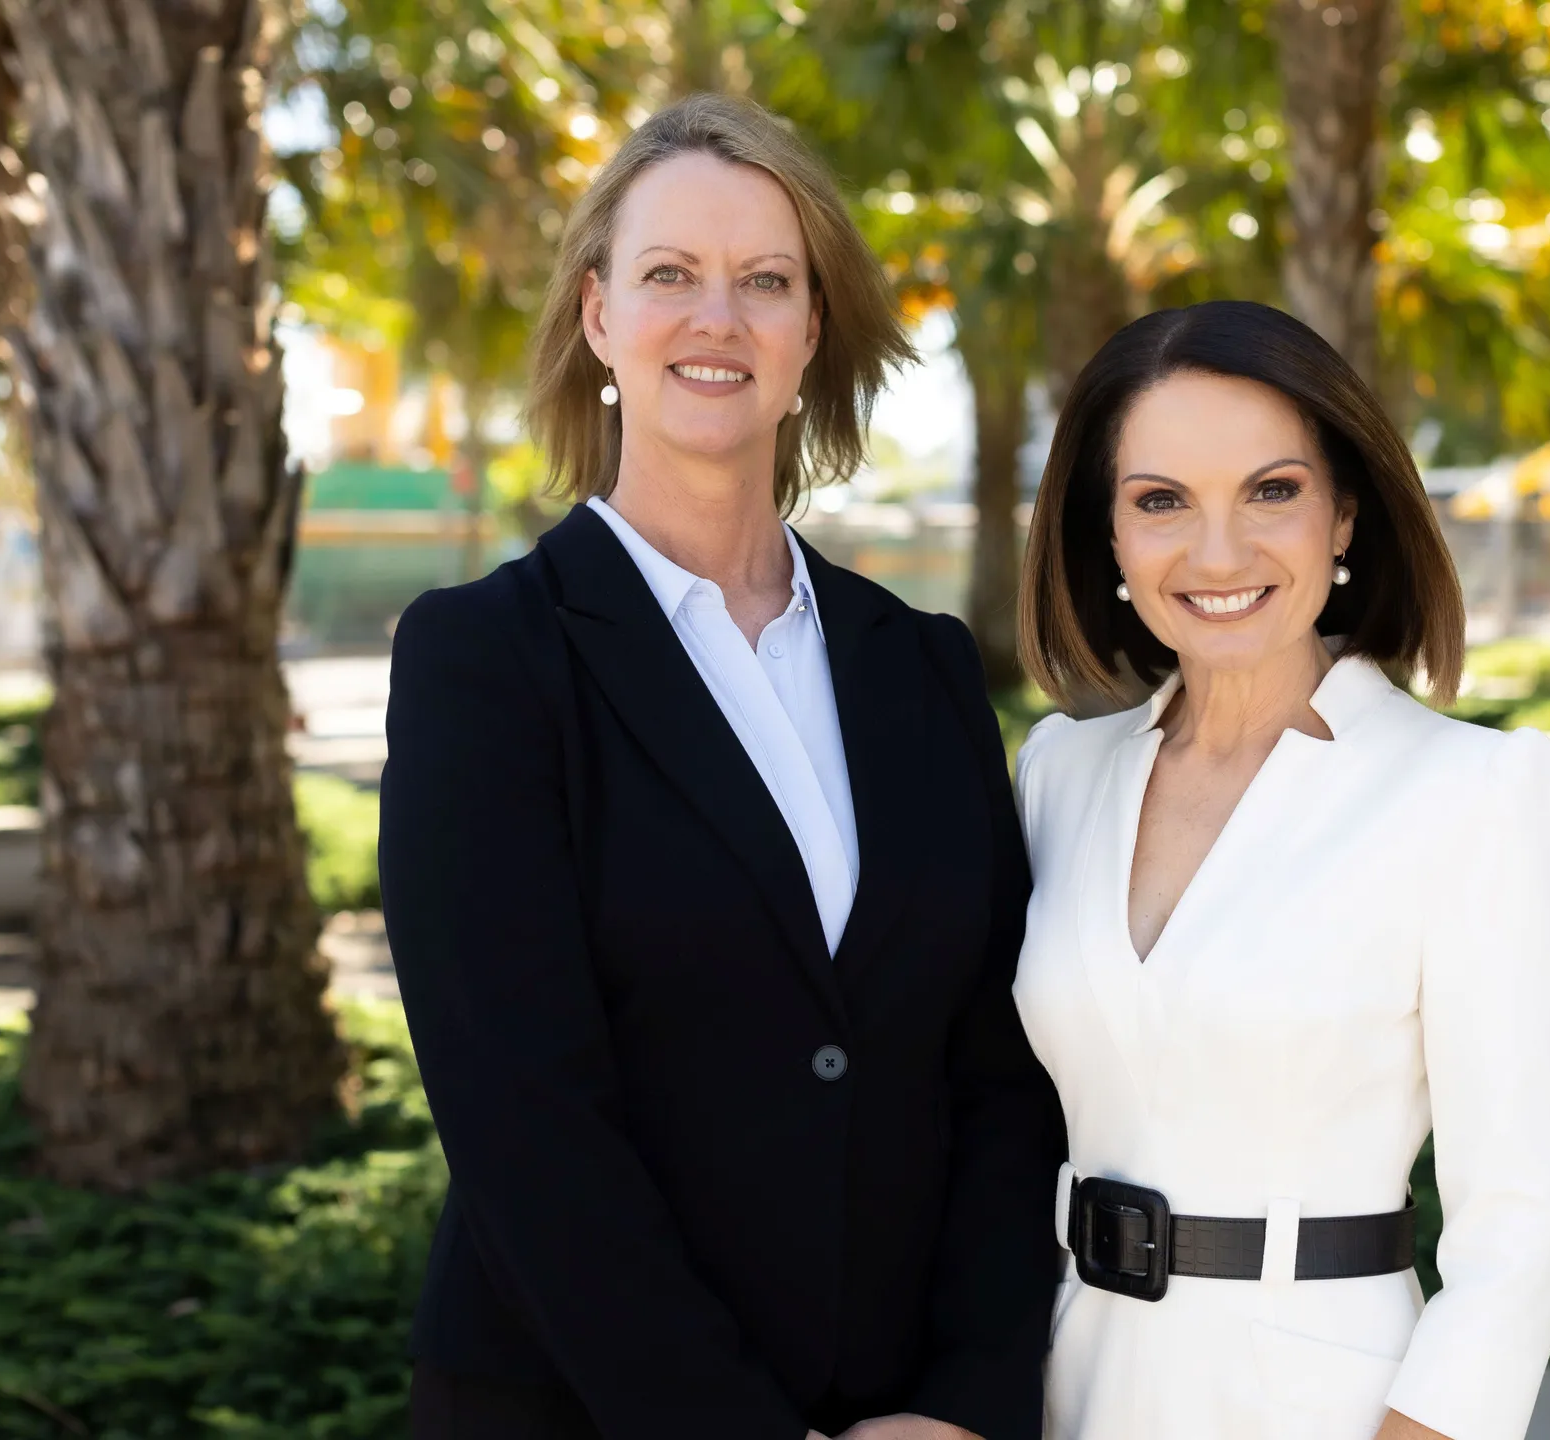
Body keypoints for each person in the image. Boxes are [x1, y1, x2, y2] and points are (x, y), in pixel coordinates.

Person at [379, 94, 1065, 1440]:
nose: (718, 318)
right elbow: (524, 1116)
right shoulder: (484, 663)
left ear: (810, 331)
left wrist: (969, 1400)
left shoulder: (919, 666)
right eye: (669, 277)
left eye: (764, 281)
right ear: (597, 320)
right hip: (578, 1408)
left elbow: (994, 1068)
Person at [1011, 301, 1550, 1440]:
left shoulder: (1468, 792)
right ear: (1109, 538)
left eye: (1270, 492)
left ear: (1343, 517)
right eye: (1161, 501)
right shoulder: (1057, 774)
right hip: (1066, 1383)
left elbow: (1517, 1231)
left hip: (1323, 1403)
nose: (1216, 553)